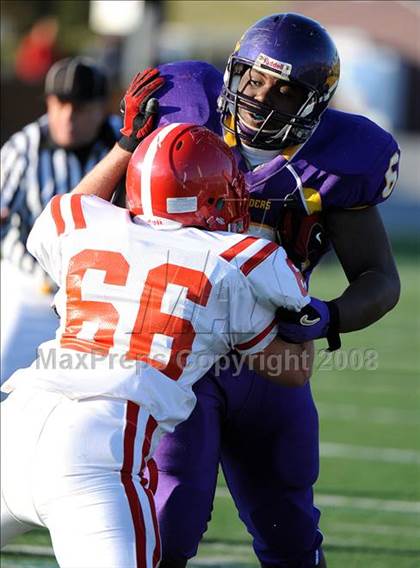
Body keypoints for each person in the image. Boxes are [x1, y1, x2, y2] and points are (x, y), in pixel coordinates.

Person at [1, 118, 320, 567]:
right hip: (94, 455)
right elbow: (292, 369)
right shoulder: (233, 262)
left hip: (13, 426)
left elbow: (68, 208)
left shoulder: (86, 223)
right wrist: (300, 299)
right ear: (214, 196)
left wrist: (124, 146)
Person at [1, 56, 122, 382]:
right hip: (31, 292)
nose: (67, 117)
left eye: (80, 108)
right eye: (59, 104)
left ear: (101, 108)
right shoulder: (24, 147)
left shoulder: (122, 144)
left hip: (96, 299)